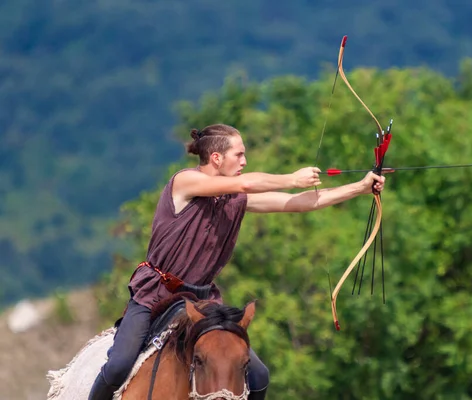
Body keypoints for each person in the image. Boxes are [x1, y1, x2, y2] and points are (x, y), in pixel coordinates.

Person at [88, 123, 386, 400]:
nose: (244, 161)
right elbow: (245, 185)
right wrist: (291, 178)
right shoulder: (185, 182)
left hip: (202, 300)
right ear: (216, 158)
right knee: (118, 365)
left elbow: (302, 203)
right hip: (156, 295)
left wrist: (359, 187)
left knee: (258, 376)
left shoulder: (234, 198)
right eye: (239, 154)